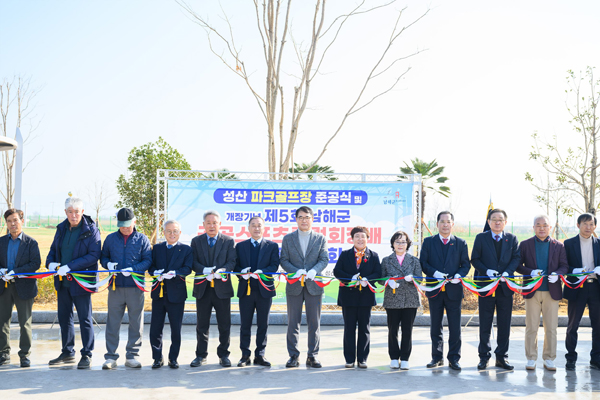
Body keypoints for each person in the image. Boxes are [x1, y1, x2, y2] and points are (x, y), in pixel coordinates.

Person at [46, 197, 101, 369]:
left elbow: (94, 255)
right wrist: (50, 263)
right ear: (65, 212)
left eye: (77, 211)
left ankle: (87, 354)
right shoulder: (61, 228)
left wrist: (70, 266)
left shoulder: (91, 230)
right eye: (70, 212)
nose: (74, 215)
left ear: (82, 212)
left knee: (85, 318)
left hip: (82, 282)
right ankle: (68, 352)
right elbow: (53, 250)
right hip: (63, 283)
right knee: (64, 318)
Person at [100, 208, 152, 369]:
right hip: (115, 287)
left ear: (134, 222)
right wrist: (108, 264)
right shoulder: (110, 239)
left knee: (136, 322)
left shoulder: (142, 239)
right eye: (122, 225)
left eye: (128, 225)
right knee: (113, 322)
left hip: (136, 287)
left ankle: (132, 355)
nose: (125, 228)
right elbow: (103, 257)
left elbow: (148, 260)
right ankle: (111, 357)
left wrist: (134, 269)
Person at [420, 211, 471, 371]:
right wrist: (434, 273)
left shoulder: (460, 243)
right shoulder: (428, 242)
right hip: (435, 289)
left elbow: (466, 265)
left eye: (448, 222)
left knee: (455, 327)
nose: (445, 225)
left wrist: (459, 275)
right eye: (442, 222)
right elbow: (423, 263)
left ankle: (454, 358)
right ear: (437, 224)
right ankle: (437, 357)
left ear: (452, 224)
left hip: (454, 290)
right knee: (435, 325)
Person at [517, 214, 568, 371]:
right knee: (531, 327)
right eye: (538, 225)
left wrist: (558, 274)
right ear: (533, 227)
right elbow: (518, 265)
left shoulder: (559, 246)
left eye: (545, 225)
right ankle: (531, 358)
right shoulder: (525, 245)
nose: (541, 228)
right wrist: (530, 272)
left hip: (551, 292)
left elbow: (565, 266)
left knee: (551, 328)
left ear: (550, 227)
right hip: (532, 290)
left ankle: (549, 358)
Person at [471, 208, 520, 370]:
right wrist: (486, 271)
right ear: (489, 222)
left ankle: (502, 357)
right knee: (485, 323)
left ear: (505, 222)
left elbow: (516, 258)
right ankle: (484, 357)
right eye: (494, 219)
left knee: (504, 324)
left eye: (500, 219)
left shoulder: (512, 239)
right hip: (487, 286)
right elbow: (475, 259)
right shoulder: (481, 238)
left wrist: (508, 272)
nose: (497, 222)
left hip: (505, 288)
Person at [280, 206, 329, 368]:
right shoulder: (288, 239)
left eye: (307, 217)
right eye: (300, 217)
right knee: (293, 322)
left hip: (314, 285)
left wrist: (314, 270)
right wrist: (295, 271)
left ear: (312, 219)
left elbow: (324, 259)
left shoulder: (320, 238)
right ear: (296, 219)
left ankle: (312, 356)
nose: (304, 220)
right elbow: (284, 260)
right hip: (294, 285)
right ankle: (293, 356)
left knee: (314, 323)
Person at [190, 210, 236, 368]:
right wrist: (203, 270)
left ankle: (224, 355)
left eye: (214, 223)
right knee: (202, 324)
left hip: (222, 289)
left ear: (220, 224)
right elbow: (193, 262)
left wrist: (223, 270)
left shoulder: (228, 241)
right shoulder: (196, 241)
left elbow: (232, 261)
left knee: (224, 324)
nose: (211, 226)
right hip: (203, 289)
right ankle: (200, 355)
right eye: (208, 223)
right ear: (203, 224)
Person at [233, 216, 280, 367]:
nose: (256, 228)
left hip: (264, 290)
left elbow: (274, 266)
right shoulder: (240, 246)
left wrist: (262, 272)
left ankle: (260, 354)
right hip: (246, 290)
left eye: (259, 225)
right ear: (248, 228)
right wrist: (242, 272)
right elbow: (235, 266)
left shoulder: (272, 246)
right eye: (253, 225)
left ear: (264, 228)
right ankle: (245, 355)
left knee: (263, 324)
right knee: (245, 324)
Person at [333, 226, 381, 369]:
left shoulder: (373, 256)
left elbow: (378, 273)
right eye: (357, 236)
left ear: (368, 238)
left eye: (363, 236)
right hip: (348, 297)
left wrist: (367, 279)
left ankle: (362, 359)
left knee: (364, 329)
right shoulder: (345, 255)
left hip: (366, 297)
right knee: (349, 328)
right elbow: (337, 271)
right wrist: (350, 278)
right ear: (352, 239)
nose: (360, 239)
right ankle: (349, 359)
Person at [148, 219, 192, 369]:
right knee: (155, 328)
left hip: (176, 295)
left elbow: (188, 268)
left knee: (176, 329)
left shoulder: (186, 249)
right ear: (164, 232)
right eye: (169, 231)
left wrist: (176, 273)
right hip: (159, 294)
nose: (172, 234)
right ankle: (157, 358)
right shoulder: (157, 248)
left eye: (175, 231)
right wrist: (155, 272)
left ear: (180, 233)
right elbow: (151, 267)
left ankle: (173, 358)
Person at [0, 209, 41, 368]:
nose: (12, 224)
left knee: (25, 322)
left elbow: (35, 263)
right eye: (9, 221)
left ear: (22, 221)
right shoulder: (1, 242)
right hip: (4, 287)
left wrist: (15, 272)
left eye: (15, 220)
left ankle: (24, 355)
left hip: (24, 287)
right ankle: (4, 353)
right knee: (2, 321)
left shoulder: (31, 243)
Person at [563, 212, 600, 371]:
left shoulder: (599, 243)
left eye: (591, 224)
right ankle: (571, 358)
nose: (588, 227)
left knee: (598, 325)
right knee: (573, 325)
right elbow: (563, 265)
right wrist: (574, 270)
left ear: (595, 226)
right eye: (585, 224)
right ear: (578, 225)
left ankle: (596, 358)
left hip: (596, 287)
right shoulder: (568, 243)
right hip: (577, 286)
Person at [381, 230, 422, 370]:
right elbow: (380, 279)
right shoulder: (386, 260)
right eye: (397, 242)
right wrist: (388, 281)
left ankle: (405, 358)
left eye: (403, 242)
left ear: (407, 244)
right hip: (392, 299)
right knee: (392, 330)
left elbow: (420, 279)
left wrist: (413, 279)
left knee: (407, 330)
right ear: (393, 244)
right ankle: (393, 357)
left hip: (410, 300)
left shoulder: (414, 260)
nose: (400, 244)